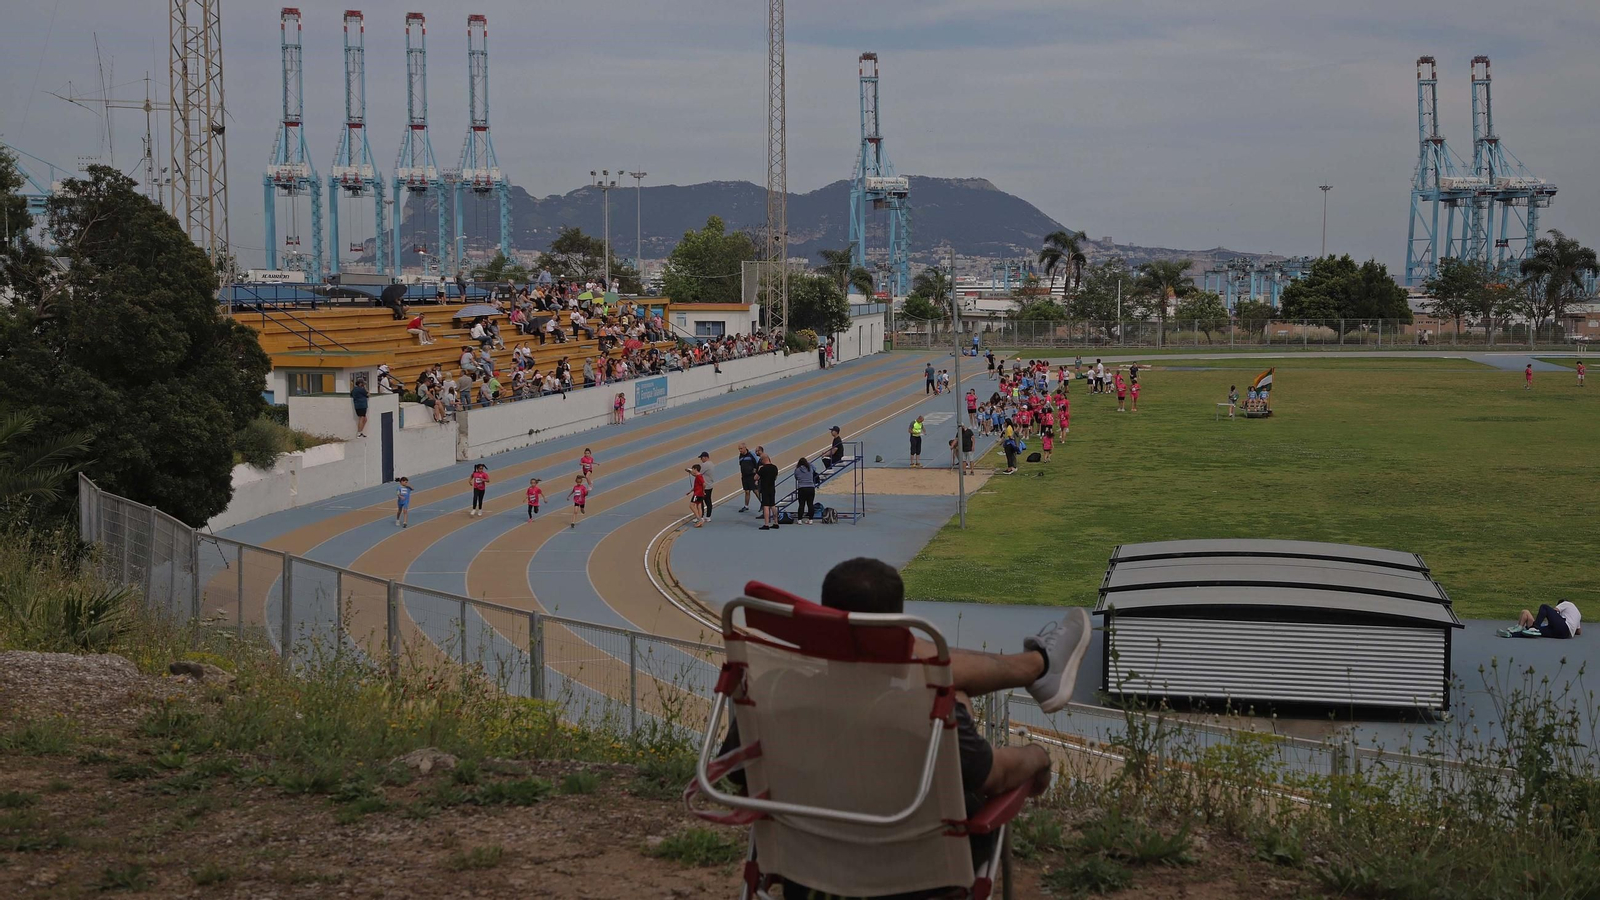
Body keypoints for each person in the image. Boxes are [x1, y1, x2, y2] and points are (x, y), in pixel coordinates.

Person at [715, 558, 1091, 898]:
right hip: (921, 884)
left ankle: (1038, 666)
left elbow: (740, 778)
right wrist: (1038, 757)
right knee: (963, 733)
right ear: (899, 629)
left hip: (807, 877)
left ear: (822, 622)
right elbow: (997, 776)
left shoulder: (775, 693)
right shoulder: (930, 714)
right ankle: (1038, 667)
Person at [1504, 600, 1582, 639]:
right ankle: (1511, 635)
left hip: (1563, 627)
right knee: (1535, 633)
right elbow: (1578, 632)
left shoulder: (1566, 603)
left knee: (1544, 607)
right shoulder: (1578, 614)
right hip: (1564, 635)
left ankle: (1534, 627)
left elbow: (1555, 611)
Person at [757, 451, 780, 531]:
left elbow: (756, 477)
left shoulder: (763, 469)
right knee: (773, 505)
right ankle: (776, 522)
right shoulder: (775, 467)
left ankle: (766, 524)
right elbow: (775, 477)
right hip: (772, 488)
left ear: (763, 460)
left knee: (766, 506)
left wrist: (759, 470)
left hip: (765, 489)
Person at [793, 456, 817, 524]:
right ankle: (811, 519)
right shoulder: (810, 468)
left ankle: (799, 520)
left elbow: (796, 477)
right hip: (811, 487)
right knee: (810, 504)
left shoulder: (797, 470)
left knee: (801, 504)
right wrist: (808, 463)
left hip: (802, 488)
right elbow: (815, 468)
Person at [695, 451, 716, 520]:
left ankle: (701, 517)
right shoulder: (711, 463)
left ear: (705, 457)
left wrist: (691, 471)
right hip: (710, 485)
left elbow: (698, 473)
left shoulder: (705, 465)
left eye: (701, 458)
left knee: (700, 502)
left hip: (705, 486)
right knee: (708, 501)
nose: (701, 459)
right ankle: (708, 516)